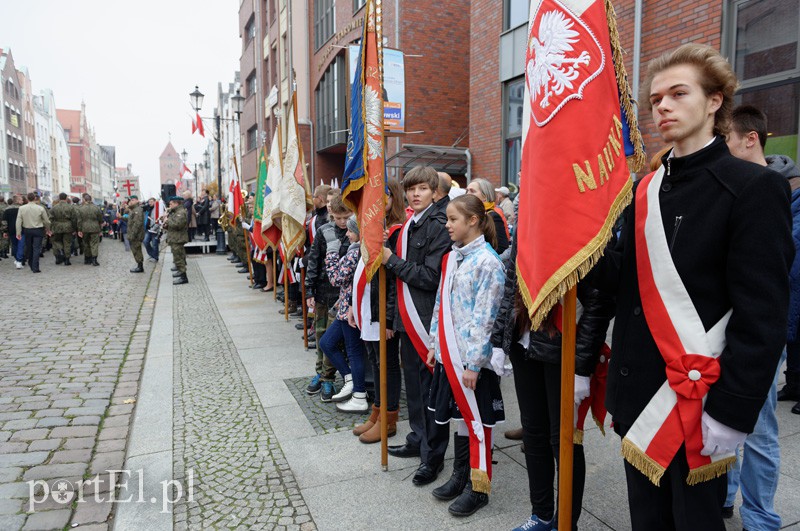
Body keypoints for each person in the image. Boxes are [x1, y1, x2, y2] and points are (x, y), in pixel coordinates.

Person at [590, 43, 793, 530]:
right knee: (647, 521)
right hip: (640, 394)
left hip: (703, 402)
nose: (662, 106)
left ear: (715, 101)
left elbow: (762, 315)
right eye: (656, 98)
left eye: (678, 93)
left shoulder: (752, 187)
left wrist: (733, 412)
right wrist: (573, 248)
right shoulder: (644, 190)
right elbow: (621, 283)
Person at [492, 239, 614, 529]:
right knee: (533, 434)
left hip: (562, 348)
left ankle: (565, 523)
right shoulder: (528, 219)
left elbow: (599, 301)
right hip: (525, 342)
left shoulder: (579, 220)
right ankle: (542, 515)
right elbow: (512, 283)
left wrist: (581, 367)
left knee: (564, 441)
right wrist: (500, 339)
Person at [721, 103, 799, 528]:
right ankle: (729, 496)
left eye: (727, 138)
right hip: (731, 329)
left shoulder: (768, 188)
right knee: (729, 423)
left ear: (750, 139)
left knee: (760, 429)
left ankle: (761, 517)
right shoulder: (736, 185)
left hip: (759, 334)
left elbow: (771, 278)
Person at [425, 194, 506, 517]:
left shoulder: (488, 263)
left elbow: (486, 318)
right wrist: (434, 342)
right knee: (460, 418)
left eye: (452, 219)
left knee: (478, 423)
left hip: (473, 363)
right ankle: (461, 474)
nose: (447, 225)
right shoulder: (454, 257)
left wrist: (473, 363)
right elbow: (440, 305)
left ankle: (479, 486)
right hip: (449, 353)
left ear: (473, 221)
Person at [381, 165, 451, 486]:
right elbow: (398, 283)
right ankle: (418, 437)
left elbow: (430, 277)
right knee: (414, 384)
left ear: (434, 191)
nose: (415, 194)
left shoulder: (438, 225)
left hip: (427, 322)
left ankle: (432, 455)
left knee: (429, 391)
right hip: (407, 320)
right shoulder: (410, 222)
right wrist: (393, 319)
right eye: (411, 189)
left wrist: (390, 260)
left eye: (422, 188)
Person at [351, 178, 405, 443]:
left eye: (382, 197)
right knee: (375, 361)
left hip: (382, 311)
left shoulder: (395, 232)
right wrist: (354, 305)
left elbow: (392, 281)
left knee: (388, 365)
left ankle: (389, 417)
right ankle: (377, 412)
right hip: (367, 306)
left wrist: (388, 318)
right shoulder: (371, 227)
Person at [320, 215, 368, 412]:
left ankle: (359, 394)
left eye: (350, 230)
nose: (347, 234)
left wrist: (331, 252)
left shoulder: (355, 252)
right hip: (346, 308)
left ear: (358, 232)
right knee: (326, 343)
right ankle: (350, 379)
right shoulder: (354, 250)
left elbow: (336, 278)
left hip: (351, 310)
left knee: (353, 352)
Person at [305, 195, 351, 401]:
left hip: (341, 297)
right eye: (339, 218)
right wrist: (309, 291)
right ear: (332, 214)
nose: (342, 222)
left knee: (333, 340)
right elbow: (313, 262)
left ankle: (328, 377)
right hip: (323, 292)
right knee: (320, 335)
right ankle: (319, 371)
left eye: (346, 217)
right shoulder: (324, 231)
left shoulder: (355, 231)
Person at [465, 179, 510, 254]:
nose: (467, 194)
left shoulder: (492, 216)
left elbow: (501, 247)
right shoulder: (467, 214)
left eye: (472, 191)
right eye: (467, 191)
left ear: (485, 196)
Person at [16, 192, 52, 273]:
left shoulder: (22, 208)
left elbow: (18, 221)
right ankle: (35, 267)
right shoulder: (40, 208)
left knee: (29, 248)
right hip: (38, 230)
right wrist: (48, 230)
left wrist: (18, 232)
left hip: (27, 230)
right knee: (36, 248)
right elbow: (47, 221)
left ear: (27, 199)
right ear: (35, 198)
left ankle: (31, 263)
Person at [165, 196, 189, 285]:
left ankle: (183, 277)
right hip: (175, 238)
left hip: (178, 238)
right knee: (178, 257)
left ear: (176, 203)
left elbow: (177, 225)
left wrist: (167, 220)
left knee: (179, 258)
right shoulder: (176, 212)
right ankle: (180, 272)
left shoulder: (181, 212)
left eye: (171, 204)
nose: (169, 206)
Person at [49, 193, 77, 266]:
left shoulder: (54, 207)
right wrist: (74, 228)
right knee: (67, 243)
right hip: (68, 226)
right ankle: (67, 260)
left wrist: (50, 228)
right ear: (66, 198)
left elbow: (50, 219)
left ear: (59, 198)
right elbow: (74, 218)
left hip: (57, 226)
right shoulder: (70, 207)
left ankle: (59, 254)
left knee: (57, 241)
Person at [77, 194, 104, 266]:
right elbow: (100, 218)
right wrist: (101, 225)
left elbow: (79, 220)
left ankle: (87, 259)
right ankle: (94, 259)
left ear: (84, 200)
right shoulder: (96, 208)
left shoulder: (80, 208)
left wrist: (79, 230)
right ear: (91, 199)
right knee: (94, 243)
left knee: (86, 243)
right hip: (95, 227)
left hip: (84, 228)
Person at [3, 195, 24, 268]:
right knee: (21, 245)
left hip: (11, 229)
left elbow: (4, 222)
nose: (23, 201)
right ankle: (19, 260)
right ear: (17, 200)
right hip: (21, 229)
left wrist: (5, 231)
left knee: (14, 245)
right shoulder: (22, 208)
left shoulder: (7, 209)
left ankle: (17, 258)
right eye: (21, 200)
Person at [127, 196, 145, 273]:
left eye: (133, 200)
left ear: (137, 201)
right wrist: (121, 217)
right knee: (135, 250)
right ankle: (139, 265)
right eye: (130, 200)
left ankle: (140, 266)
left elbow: (137, 224)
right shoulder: (133, 209)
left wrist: (132, 234)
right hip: (134, 233)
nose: (131, 201)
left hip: (136, 234)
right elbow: (130, 220)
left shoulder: (138, 210)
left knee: (137, 249)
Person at [143, 198, 161, 262]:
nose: (150, 203)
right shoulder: (148, 209)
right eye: (149, 202)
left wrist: (154, 228)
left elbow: (158, 219)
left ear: (155, 202)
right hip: (148, 229)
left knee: (154, 244)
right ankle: (152, 254)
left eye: (151, 201)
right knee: (145, 242)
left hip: (154, 229)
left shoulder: (157, 209)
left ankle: (155, 257)